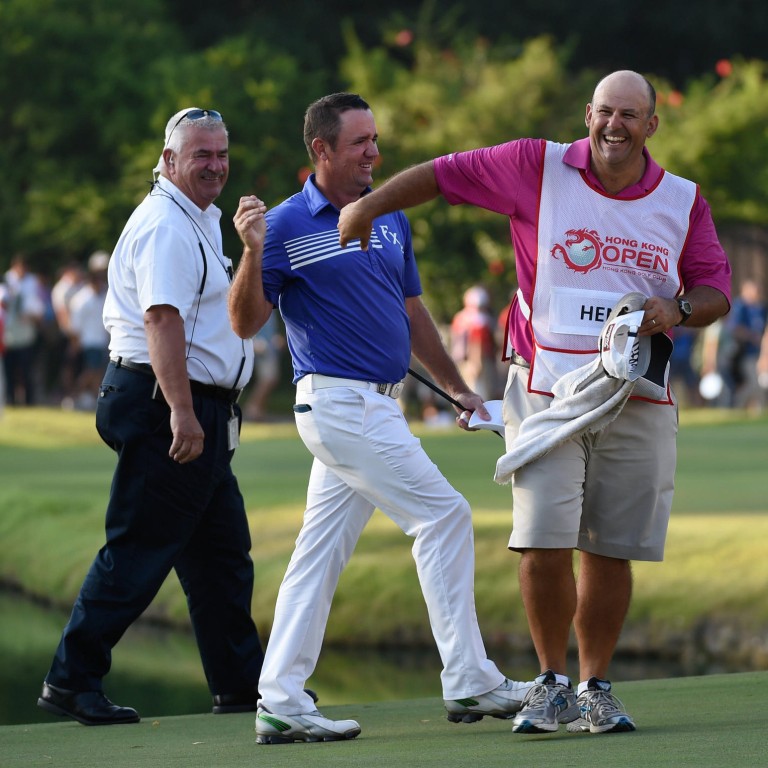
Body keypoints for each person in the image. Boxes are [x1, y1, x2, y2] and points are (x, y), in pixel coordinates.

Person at [338, 70, 732, 734]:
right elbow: (441, 173)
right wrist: (365, 208)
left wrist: (681, 307)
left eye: (631, 115)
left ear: (652, 125)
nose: (615, 125)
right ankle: (551, 683)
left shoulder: (683, 200)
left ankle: (595, 687)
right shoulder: (535, 165)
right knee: (542, 540)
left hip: (635, 395)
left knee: (611, 549)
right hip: (545, 389)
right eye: (605, 112)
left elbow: (714, 287)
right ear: (588, 115)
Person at [229, 92, 531, 745]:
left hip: (378, 403)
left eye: (375, 139)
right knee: (444, 516)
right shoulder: (281, 225)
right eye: (361, 141)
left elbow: (411, 311)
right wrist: (252, 251)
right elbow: (245, 322)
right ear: (322, 149)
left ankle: (279, 697)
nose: (375, 152)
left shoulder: (389, 217)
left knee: (318, 554)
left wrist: (458, 391)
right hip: (339, 404)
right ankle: (470, 677)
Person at [37, 107, 266, 726]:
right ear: (168, 161)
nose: (215, 165)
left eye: (221, 154)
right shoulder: (168, 224)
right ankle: (72, 679)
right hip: (167, 404)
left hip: (194, 409)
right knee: (139, 548)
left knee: (221, 557)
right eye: (201, 155)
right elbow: (160, 320)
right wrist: (184, 414)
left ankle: (242, 686)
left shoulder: (198, 221)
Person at [68, 251, 111, 410]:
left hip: (101, 340)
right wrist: (75, 345)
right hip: (88, 341)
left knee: (97, 372)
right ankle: (74, 396)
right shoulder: (82, 299)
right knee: (91, 371)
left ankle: (93, 399)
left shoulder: (103, 294)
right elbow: (75, 326)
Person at [450, 285, 500, 401]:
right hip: (477, 361)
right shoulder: (480, 319)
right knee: (481, 395)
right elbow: (477, 343)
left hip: (461, 362)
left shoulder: (460, 317)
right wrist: (476, 364)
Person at [727, 278, 767, 412]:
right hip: (745, 353)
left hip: (760, 353)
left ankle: (758, 410)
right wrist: (751, 336)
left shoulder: (761, 308)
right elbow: (735, 328)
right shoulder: (740, 306)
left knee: (757, 384)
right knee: (754, 383)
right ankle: (737, 406)